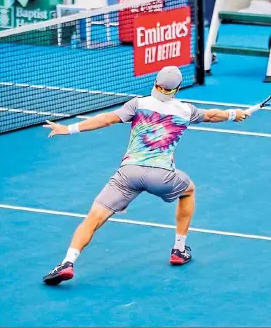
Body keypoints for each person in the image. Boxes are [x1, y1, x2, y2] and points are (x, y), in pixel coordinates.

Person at [42, 66, 249, 285]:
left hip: (128, 174)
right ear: (177, 88)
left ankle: (68, 262)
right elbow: (212, 115)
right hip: (162, 177)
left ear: (156, 83)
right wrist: (234, 114)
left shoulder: (138, 104)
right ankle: (179, 250)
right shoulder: (186, 110)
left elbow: (106, 119)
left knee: (93, 218)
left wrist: (69, 129)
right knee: (188, 191)